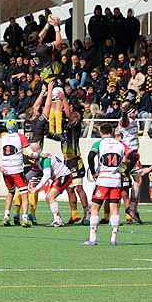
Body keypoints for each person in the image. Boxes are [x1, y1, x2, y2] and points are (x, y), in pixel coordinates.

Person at [84, 123, 127, 246]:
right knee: (115, 209)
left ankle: (93, 238)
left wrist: (93, 172)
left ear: (101, 132)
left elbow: (91, 156)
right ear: (112, 132)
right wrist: (125, 171)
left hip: (103, 180)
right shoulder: (120, 145)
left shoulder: (99, 143)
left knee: (95, 208)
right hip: (116, 180)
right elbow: (131, 157)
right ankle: (113, 238)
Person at [60, 96, 90, 225]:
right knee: (69, 189)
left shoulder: (76, 118)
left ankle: (87, 214)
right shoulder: (64, 122)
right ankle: (74, 214)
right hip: (66, 160)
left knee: (78, 188)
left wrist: (62, 98)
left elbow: (68, 114)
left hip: (75, 159)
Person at [29, 142, 74, 227]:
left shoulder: (45, 159)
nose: (29, 153)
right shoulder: (39, 158)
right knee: (48, 197)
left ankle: (57, 220)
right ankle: (58, 219)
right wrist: (22, 181)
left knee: (50, 197)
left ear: (36, 152)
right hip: (59, 177)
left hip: (64, 176)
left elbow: (47, 175)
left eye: (31, 151)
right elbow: (33, 172)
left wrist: (37, 188)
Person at [0, 119, 32, 227]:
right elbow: (30, 153)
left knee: (10, 192)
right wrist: (40, 155)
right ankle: (25, 218)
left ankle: (6, 216)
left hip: (6, 170)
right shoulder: (20, 136)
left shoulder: (3, 137)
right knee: (24, 193)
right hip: (17, 169)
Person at [118, 101, 144, 224]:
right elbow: (123, 122)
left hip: (134, 155)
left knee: (138, 181)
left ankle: (133, 209)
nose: (136, 113)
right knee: (125, 185)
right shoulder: (126, 120)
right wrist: (123, 111)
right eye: (133, 111)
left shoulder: (134, 121)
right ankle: (129, 211)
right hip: (127, 155)